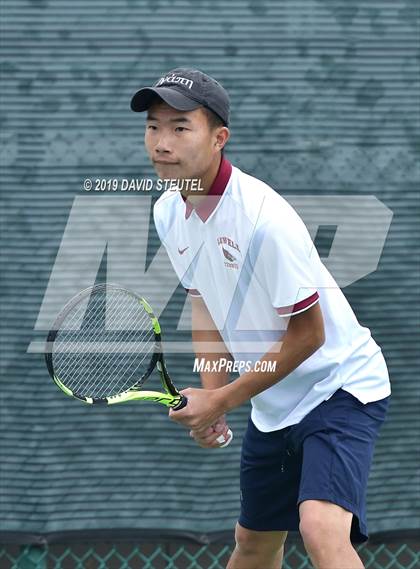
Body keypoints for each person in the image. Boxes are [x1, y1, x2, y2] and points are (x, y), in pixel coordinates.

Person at [130, 68, 391, 569]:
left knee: (319, 526)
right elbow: (204, 298)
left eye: (180, 127)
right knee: (253, 541)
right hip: (273, 402)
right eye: (153, 127)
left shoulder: (264, 221)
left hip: (339, 387)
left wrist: (223, 398)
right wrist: (212, 395)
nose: (162, 143)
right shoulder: (168, 211)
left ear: (218, 138)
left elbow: (308, 334)